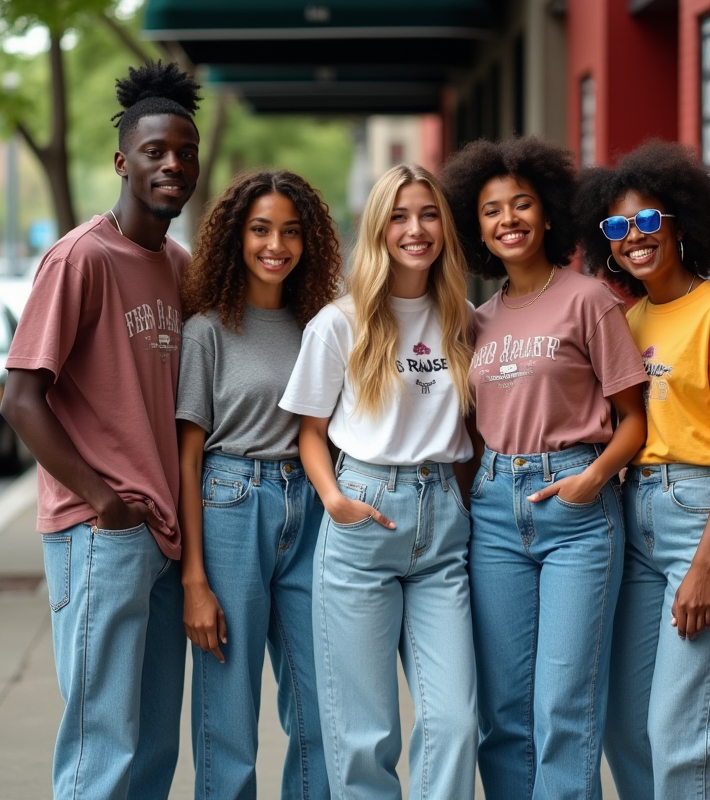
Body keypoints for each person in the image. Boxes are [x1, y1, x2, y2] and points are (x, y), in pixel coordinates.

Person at [0, 62, 200, 800]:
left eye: (185, 151)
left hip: (163, 536)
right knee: (100, 747)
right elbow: (21, 398)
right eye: (155, 151)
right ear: (123, 161)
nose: (172, 164)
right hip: (101, 532)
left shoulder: (178, 265)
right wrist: (104, 500)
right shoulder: (81, 257)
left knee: (151, 748)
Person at [440, 137, 647, 800]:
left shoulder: (591, 300)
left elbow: (634, 421)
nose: (508, 219)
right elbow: (468, 433)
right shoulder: (476, 322)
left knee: (564, 705)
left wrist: (592, 478)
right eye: (492, 210)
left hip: (578, 510)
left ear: (549, 213)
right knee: (503, 712)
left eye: (521, 204)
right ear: (477, 229)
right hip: (496, 510)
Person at [574, 139, 710, 800]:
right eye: (618, 227)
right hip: (635, 520)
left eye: (649, 221)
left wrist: (707, 565)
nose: (635, 237)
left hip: (698, 515)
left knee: (682, 735)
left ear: (680, 224)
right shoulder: (626, 318)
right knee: (624, 726)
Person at [279, 164, 477, 800]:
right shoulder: (339, 323)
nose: (415, 229)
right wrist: (334, 500)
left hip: (442, 518)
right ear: (378, 228)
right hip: (363, 513)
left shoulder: (463, 319)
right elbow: (310, 433)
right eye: (399, 215)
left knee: (454, 721)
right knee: (364, 734)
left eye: (426, 215)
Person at [175, 170, 339, 800]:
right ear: (236, 237)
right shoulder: (207, 331)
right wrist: (195, 581)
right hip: (231, 507)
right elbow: (188, 459)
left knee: (322, 702)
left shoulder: (320, 325)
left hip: (311, 509)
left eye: (291, 231)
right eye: (261, 229)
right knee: (228, 715)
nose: (277, 245)